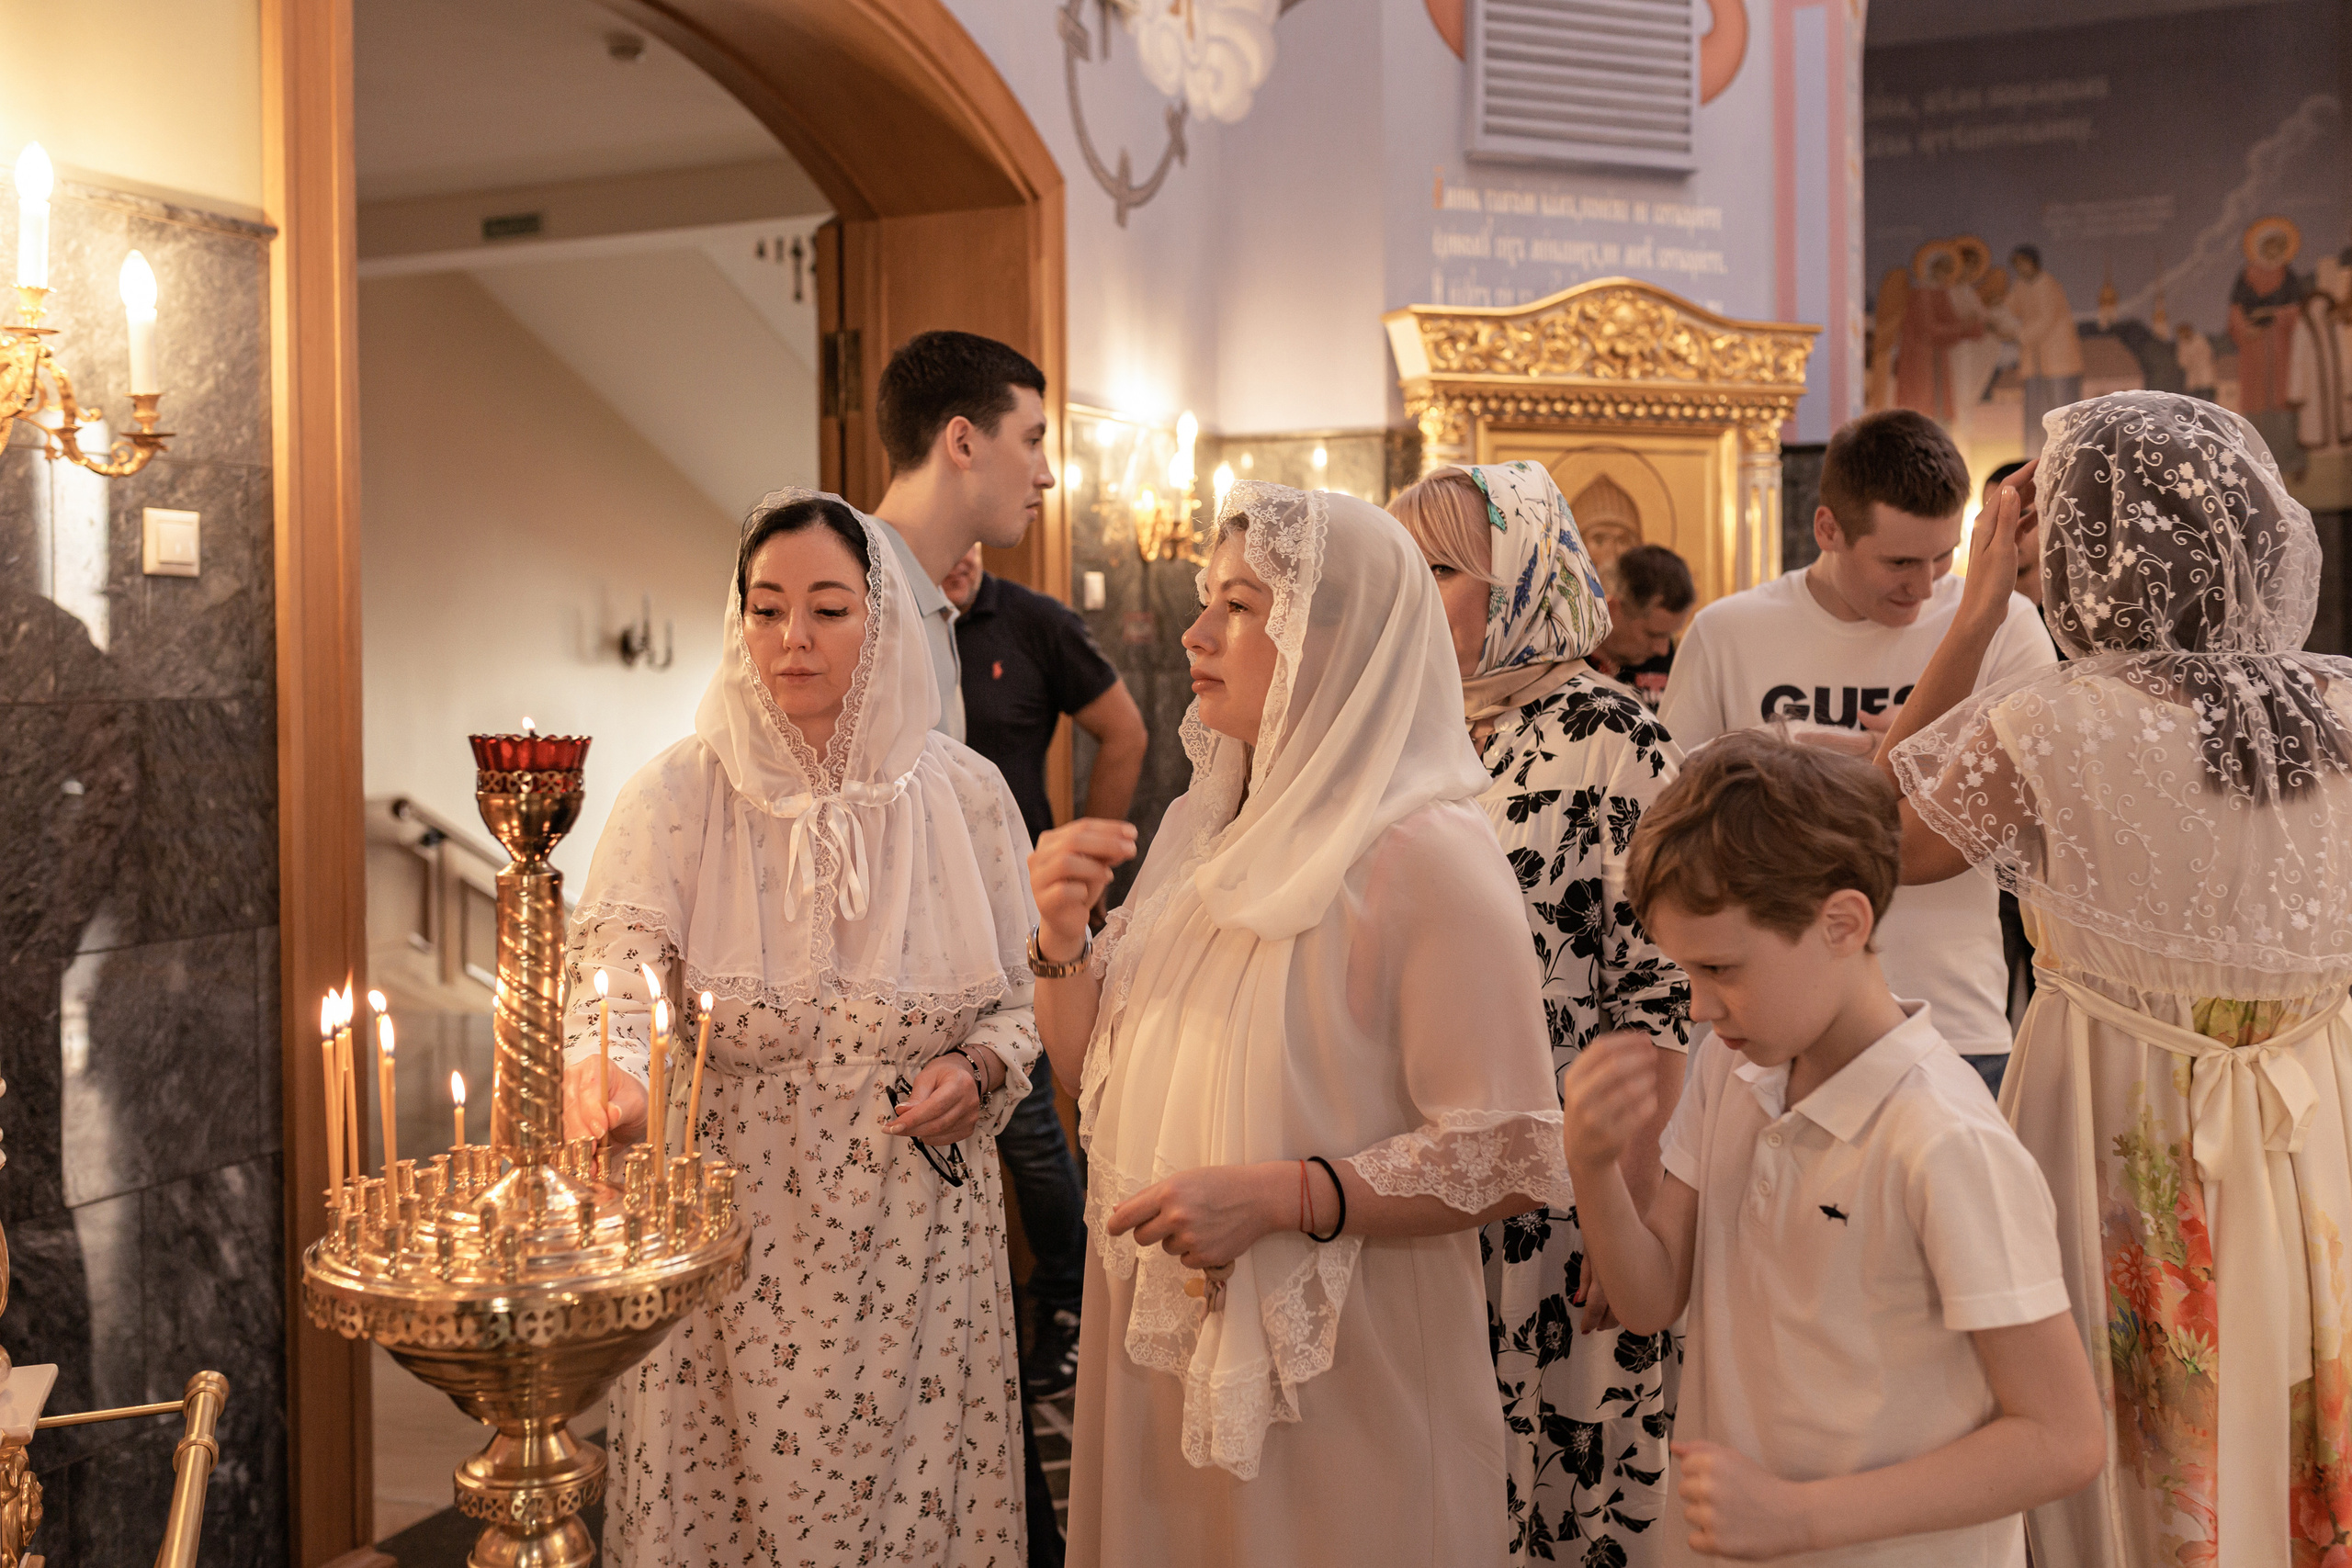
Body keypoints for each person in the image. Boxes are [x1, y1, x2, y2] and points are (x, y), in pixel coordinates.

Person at [1028, 482, 1571, 1565]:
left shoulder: (1426, 855)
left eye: (1239, 605)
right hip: (1161, 1342)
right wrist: (1061, 938)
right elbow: (1095, 1068)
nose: (1193, 633)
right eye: (1207, 601)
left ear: (1343, 641)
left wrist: (1287, 1196)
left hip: (1340, 1376)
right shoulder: (1199, 830)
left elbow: (1512, 1152)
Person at [1880, 390, 2352, 1568]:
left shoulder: (2055, 723)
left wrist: (1974, 612)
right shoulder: (2341, 709)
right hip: (2313, 1108)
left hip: (2113, 1105)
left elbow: (1877, 842)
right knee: (2296, 1369)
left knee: (2134, 1418)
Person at [560, 490, 1044, 1564]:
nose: (793, 639)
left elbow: (1024, 1000)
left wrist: (978, 1065)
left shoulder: (965, 799)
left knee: (914, 1515)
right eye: (767, 607)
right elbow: (614, 972)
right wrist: (613, 1075)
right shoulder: (681, 794)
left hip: (915, 1238)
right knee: (728, 1511)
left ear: (880, 622)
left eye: (828, 609)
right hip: (734, 1235)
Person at [1561, 731, 2106, 1566]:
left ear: (1841, 922)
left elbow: (2063, 1437)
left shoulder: (1944, 1141)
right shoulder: (1731, 1073)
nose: (1701, 1006)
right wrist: (1593, 1166)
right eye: (1687, 974)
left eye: (1721, 968)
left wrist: (1799, 1517)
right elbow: (1650, 1297)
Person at [1390, 463, 1691, 1562]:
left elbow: (1661, 997)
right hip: (1432, 1178)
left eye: (1437, 572)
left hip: (1570, 1193)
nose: (1410, 598)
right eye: (1400, 570)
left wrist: (1635, 1217)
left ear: (1521, 581)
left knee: (1565, 1484)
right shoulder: (1414, 736)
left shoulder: (1614, 736)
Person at [1660, 410, 2055, 1100]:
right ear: (1828, 530)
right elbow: (1677, 832)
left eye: (1941, 558)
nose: (1925, 587)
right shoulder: (1729, 634)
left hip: (1954, 1018)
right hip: (1772, 1023)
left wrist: (1889, 755)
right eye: (1900, 562)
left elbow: (2009, 822)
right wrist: (1915, 762)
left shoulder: (2005, 620)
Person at [941, 540, 1149, 1401]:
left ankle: (1063, 1302)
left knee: (1029, 1125)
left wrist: (1082, 876)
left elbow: (1127, 730)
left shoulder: (1032, 622)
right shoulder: (882, 614)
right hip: (914, 913)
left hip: (1012, 912)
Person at [871, 329, 1057, 740]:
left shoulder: (926, 598)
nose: (1047, 476)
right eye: (1032, 441)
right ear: (964, 443)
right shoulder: (846, 596)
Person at [1590, 541, 1697, 709]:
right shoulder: (1569, 664)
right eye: (1653, 635)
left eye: (1669, 636)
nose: (1663, 650)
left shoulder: (1671, 662)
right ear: (1612, 610)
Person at [2004, 246, 2083, 456]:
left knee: (2061, 413)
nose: (2020, 268)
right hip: (2035, 362)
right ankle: (2033, 460)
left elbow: (2047, 319)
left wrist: (2018, 335)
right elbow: (2009, 308)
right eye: (2017, 265)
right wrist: (1997, 319)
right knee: (2035, 415)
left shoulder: (2048, 284)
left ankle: (2067, 458)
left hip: (2059, 361)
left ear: (2033, 262)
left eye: (2023, 263)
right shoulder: (2021, 285)